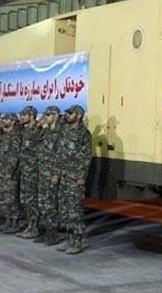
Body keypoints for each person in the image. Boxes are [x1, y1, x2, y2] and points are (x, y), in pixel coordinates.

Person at [56, 105, 92, 254]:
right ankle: (69, 239)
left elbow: (86, 157)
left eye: (70, 113)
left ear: (79, 115)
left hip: (75, 177)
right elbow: (60, 154)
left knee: (75, 210)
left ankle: (77, 241)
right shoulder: (65, 131)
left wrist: (81, 176)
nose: (68, 116)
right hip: (64, 176)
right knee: (65, 208)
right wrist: (57, 172)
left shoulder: (84, 133)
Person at [34, 106, 62, 246]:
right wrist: (40, 126)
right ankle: (44, 231)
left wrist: (56, 173)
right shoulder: (45, 132)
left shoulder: (60, 133)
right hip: (42, 171)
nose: (46, 117)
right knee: (42, 203)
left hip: (51, 173)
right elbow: (34, 140)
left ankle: (53, 233)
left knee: (51, 204)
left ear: (56, 116)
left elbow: (60, 155)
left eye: (49, 114)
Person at [16, 105, 42, 239]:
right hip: (25, 169)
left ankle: (35, 227)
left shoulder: (38, 131)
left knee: (32, 199)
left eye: (24, 115)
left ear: (31, 116)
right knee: (25, 199)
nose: (21, 117)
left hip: (33, 170)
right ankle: (29, 225)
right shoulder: (25, 130)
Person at [0, 112, 21, 234]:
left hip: (9, 173)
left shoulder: (15, 136)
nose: (3, 121)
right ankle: (7, 220)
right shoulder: (2, 135)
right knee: (3, 198)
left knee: (11, 198)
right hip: (0, 171)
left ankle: (14, 222)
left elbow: (15, 156)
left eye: (6, 119)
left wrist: (10, 171)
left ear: (13, 121)